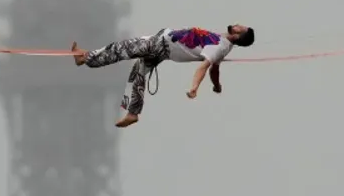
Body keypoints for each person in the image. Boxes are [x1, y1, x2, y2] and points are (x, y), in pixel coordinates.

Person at [70, 24, 255, 128]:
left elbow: (205, 67)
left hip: (161, 45)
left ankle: (85, 57)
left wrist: (194, 87)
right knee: (138, 72)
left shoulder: (220, 47)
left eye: (242, 27)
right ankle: (133, 113)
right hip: (162, 44)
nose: (238, 24)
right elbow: (215, 69)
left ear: (238, 34)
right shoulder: (222, 43)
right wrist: (217, 86)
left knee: (123, 48)